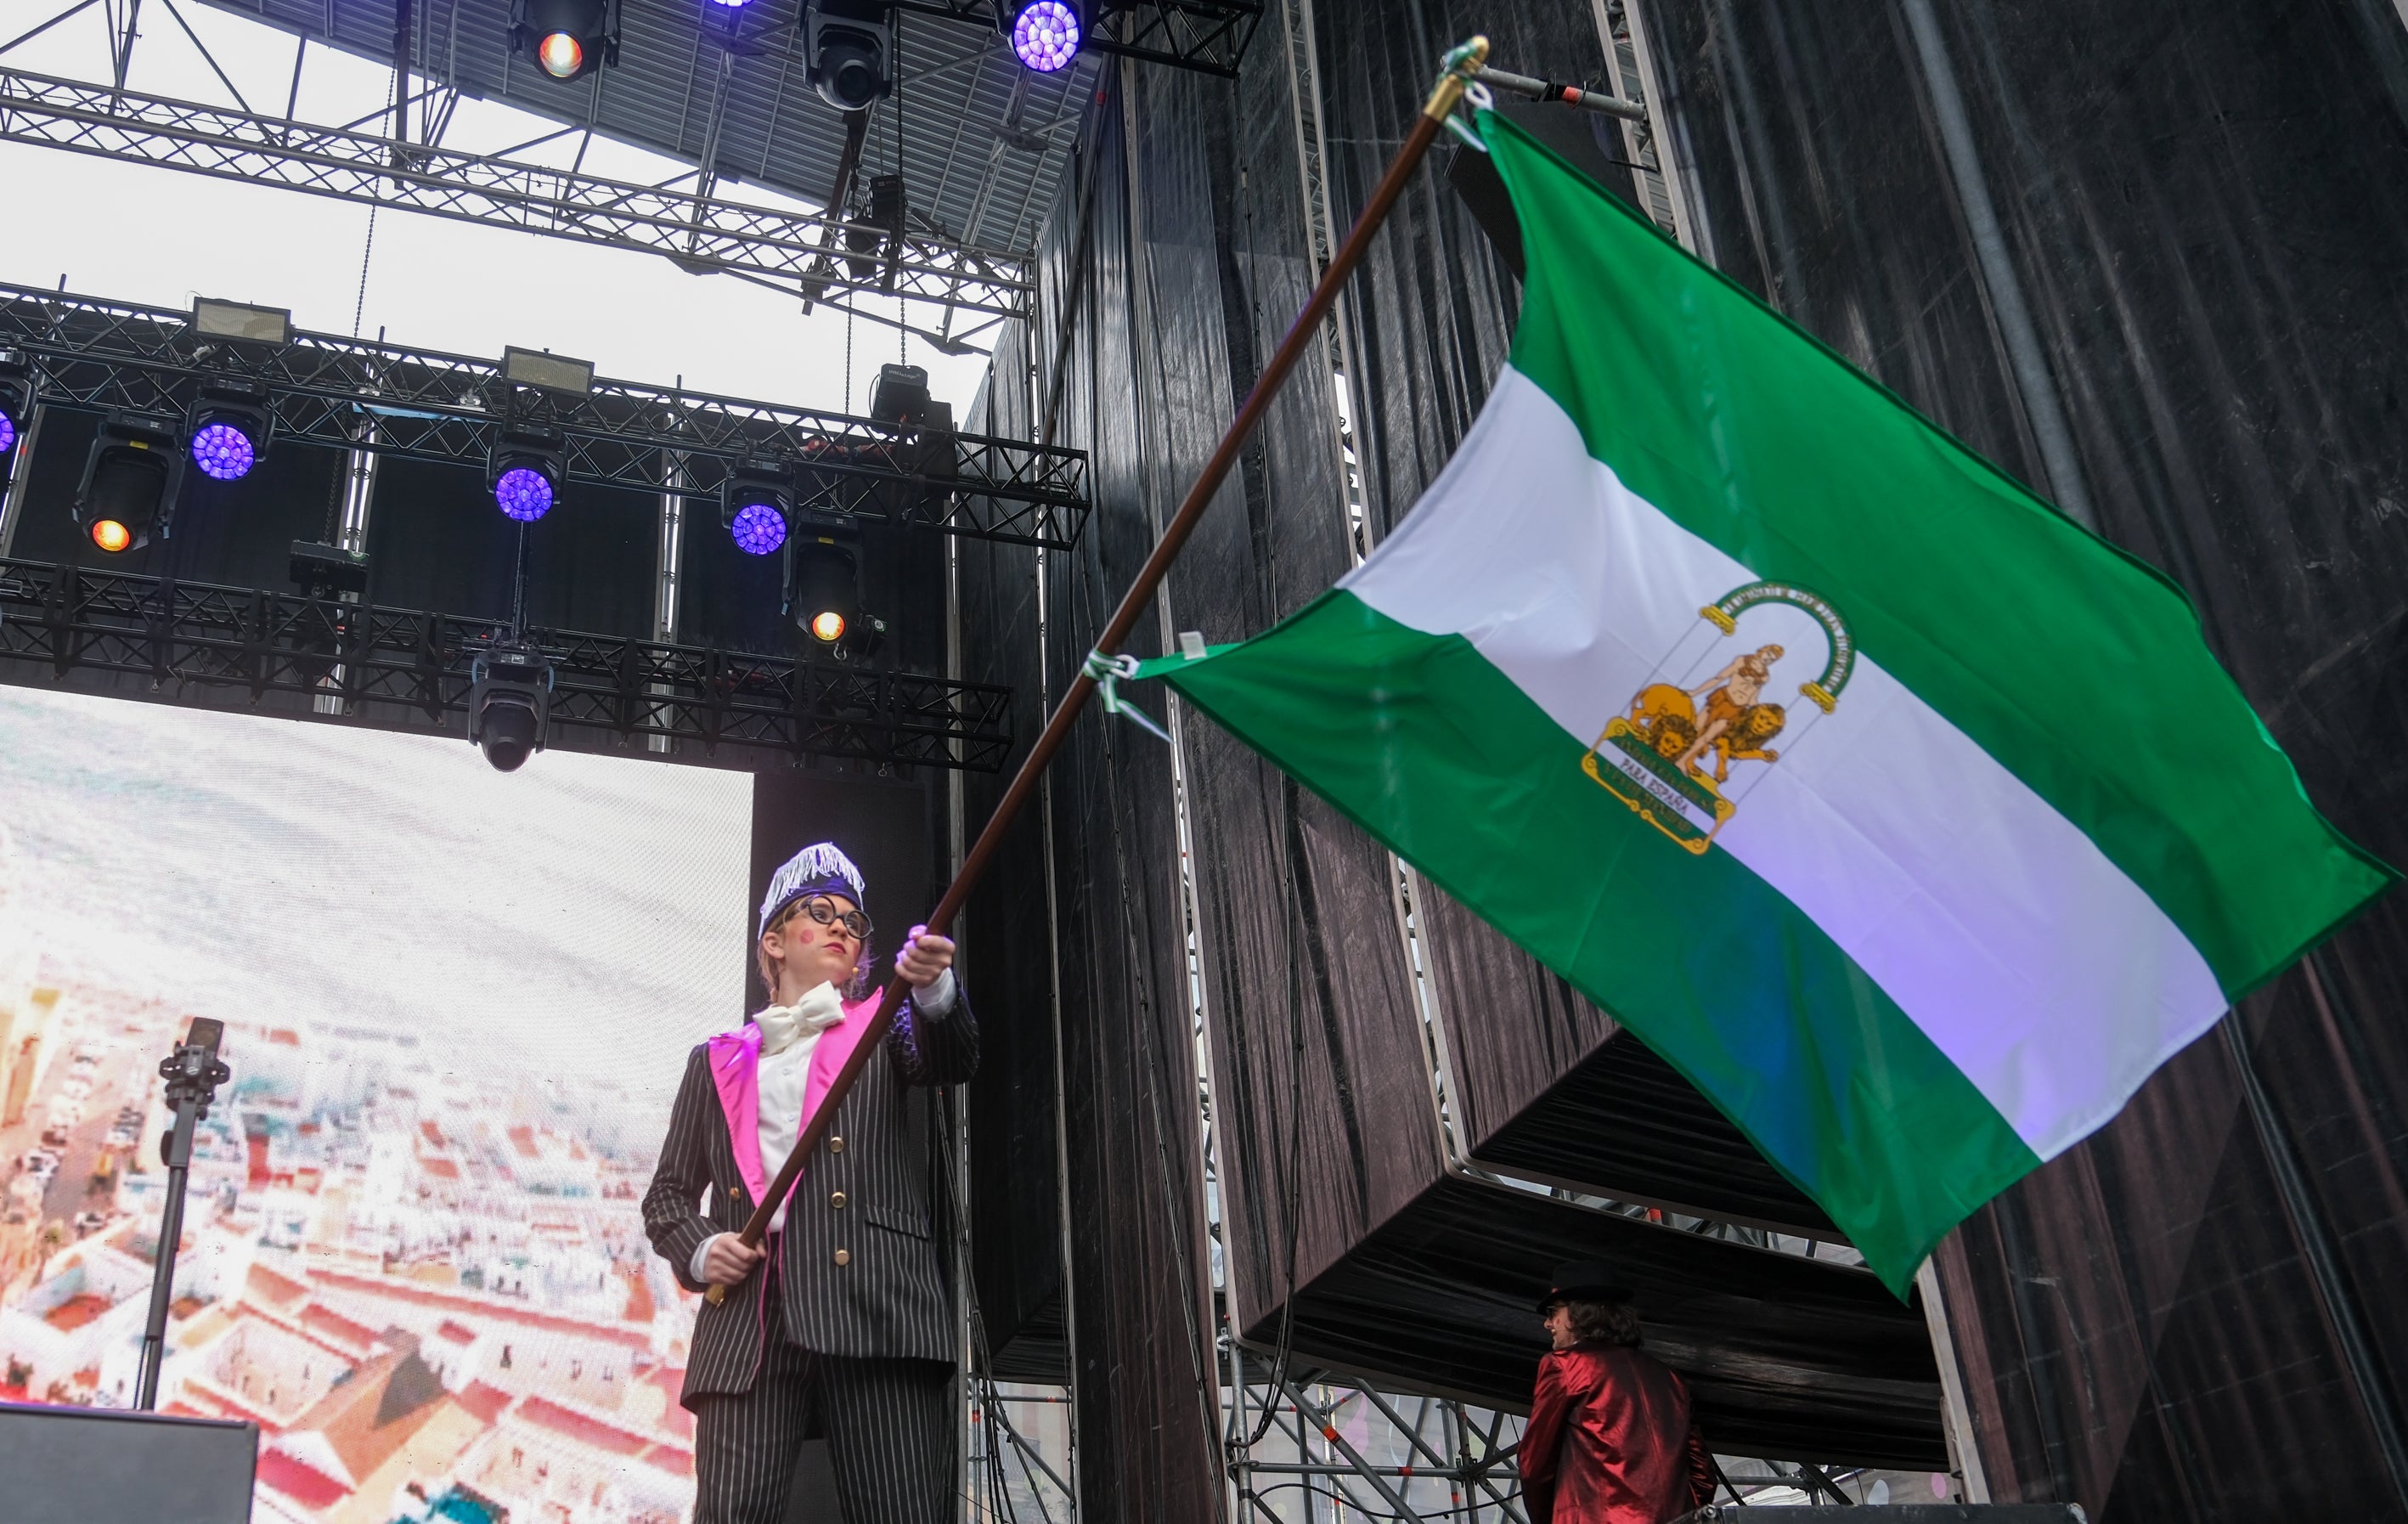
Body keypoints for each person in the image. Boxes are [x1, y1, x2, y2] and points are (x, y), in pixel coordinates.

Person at [644, 842, 978, 1524]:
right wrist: (706, 1249)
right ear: (773, 939)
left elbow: (950, 1056)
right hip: (748, 1321)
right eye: (819, 912)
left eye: (854, 925)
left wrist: (933, 988)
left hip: (877, 1304)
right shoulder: (713, 1063)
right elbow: (668, 1199)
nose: (840, 928)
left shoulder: (885, 1025)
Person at [1520, 1262, 1715, 1524]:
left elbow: (1534, 1465)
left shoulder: (1565, 1366)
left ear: (1579, 1313)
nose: (1547, 1324)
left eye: (1554, 1311)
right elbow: (1702, 1475)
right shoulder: (1671, 1380)